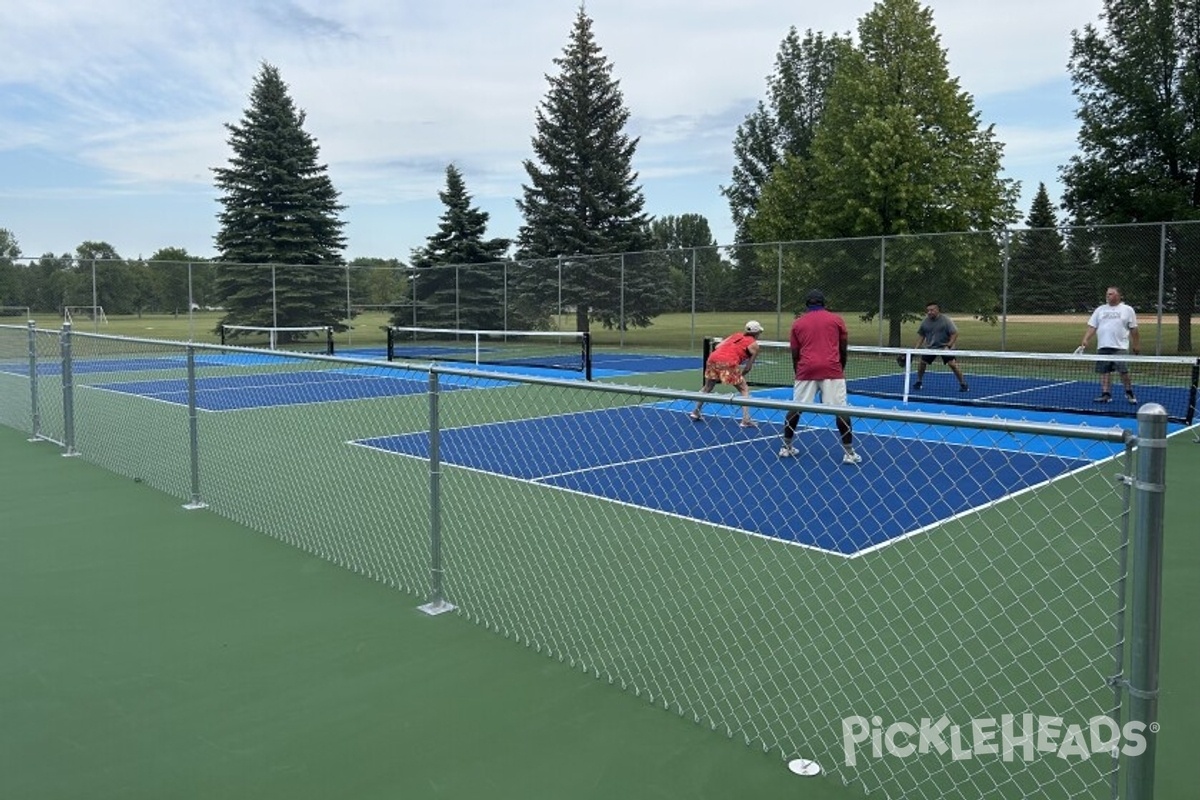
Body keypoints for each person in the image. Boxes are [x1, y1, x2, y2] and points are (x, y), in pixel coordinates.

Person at [778, 290, 862, 465]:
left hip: (805, 370)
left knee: (795, 408)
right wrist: (839, 368)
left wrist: (799, 373)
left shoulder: (798, 323)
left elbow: (795, 353)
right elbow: (843, 349)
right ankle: (849, 452)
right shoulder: (836, 320)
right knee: (841, 410)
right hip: (832, 369)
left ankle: (786, 447)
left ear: (807, 304)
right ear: (824, 303)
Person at [690, 320, 763, 427]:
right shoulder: (754, 346)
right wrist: (739, 376)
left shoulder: (736, 335)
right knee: (744, 389)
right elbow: (748, 367)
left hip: (713, 358)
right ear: (757, 333)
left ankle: (695, 412)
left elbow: (717, 347)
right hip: (729, 362)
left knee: (707, 387)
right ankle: (746, 420)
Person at [1080, 286, 1140, 404]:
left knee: (1123, 371)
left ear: (1118, 295)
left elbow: (1134, 329)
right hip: (1103, 346)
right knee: (1104, 371)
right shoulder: (1100, 310)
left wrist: (1136, 344)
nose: (1108, 296)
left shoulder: (1127, 310)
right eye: (1107, 294)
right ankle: (1106, 394)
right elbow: (1093, 326)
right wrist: (1085, 339)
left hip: (1120, 347)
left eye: (1111, 294)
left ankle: (1129, 392)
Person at [912, 301, 968, 392]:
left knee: (952, 364)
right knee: (922, 363)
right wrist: (915, 349)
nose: (929, 312)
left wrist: (948, 345)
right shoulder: (925, 322)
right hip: (931, 348)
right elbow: (922, 336)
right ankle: (919, 381)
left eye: (932, 310)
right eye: (928, 310)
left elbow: (955, 333)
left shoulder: (946, 320)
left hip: (945, 347)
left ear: (938, 310)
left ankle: (963, 384)